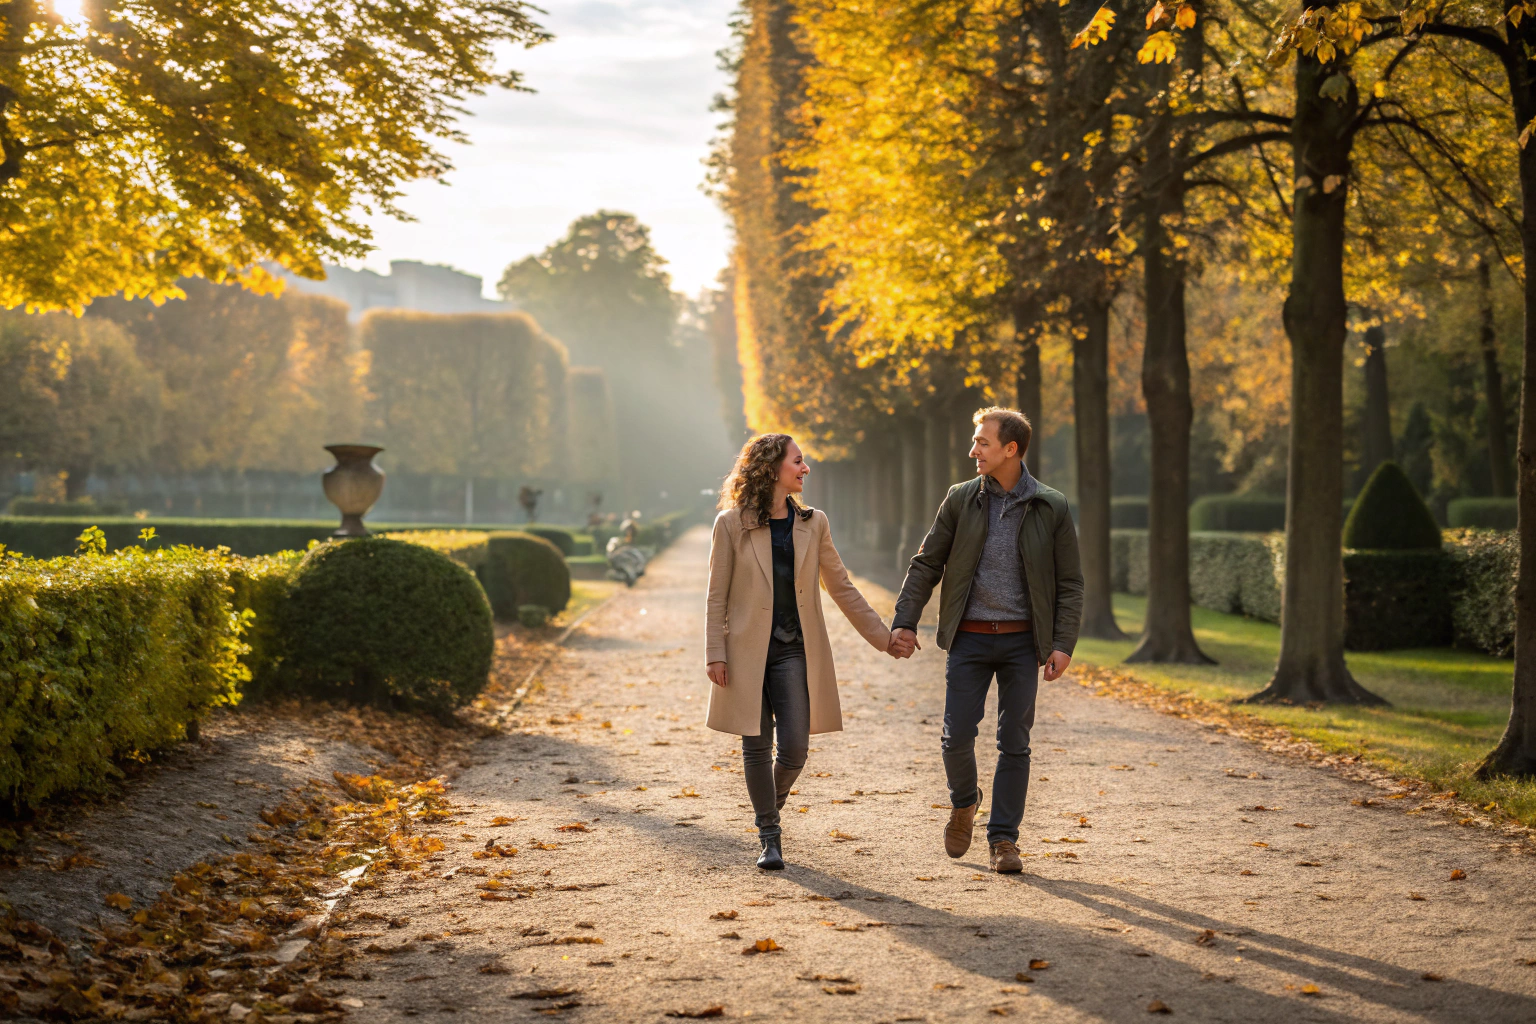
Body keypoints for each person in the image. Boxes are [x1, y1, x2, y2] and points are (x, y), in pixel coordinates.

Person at [890, 407, 1084, 874]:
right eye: (975, 442)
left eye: (982, 442)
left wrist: (1063, 644)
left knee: (1014, 742)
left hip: (1022, 644)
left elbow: (1070, 582)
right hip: (970, 641)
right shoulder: (960, 499)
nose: (973, 450)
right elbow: (926, 563)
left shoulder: (1051, 505)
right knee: (955, 737)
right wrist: (905, 620)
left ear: (1010, 449)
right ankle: (965, 802)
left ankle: (1003, 841)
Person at [705, 433, 905, 870]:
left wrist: (884, 637)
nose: (805, 468)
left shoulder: (814, 523)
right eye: (798, 461)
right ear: (772, 467)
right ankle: (769, 836)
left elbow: (842, 588)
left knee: (794, 748)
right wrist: (714, 653)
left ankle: (766, 810)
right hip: (743, 653)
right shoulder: (730, 524)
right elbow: (716, 596)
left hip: (793, 650)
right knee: (756, 747)